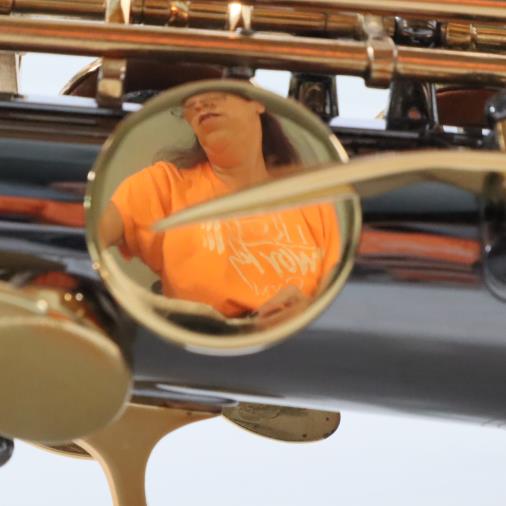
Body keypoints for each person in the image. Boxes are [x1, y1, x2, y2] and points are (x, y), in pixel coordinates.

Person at [100, 90, 341, 323]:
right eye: (190, 98)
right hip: (202, 346)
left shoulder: (311, 200)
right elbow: (90, 237)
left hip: (295, 344)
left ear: (257, 102)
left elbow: (338, 299)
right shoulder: (163, 186)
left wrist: (308, 310)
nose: (200, 101)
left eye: (218, 88)